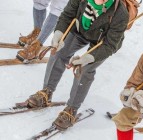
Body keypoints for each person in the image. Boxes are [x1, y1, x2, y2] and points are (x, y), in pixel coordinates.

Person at [24, 0, 129, 131]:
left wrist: (89, 57)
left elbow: (110, 45)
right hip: (79, 30)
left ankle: (71, 110)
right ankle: (46, 92)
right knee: (59, 53)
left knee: (84, 70)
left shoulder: (120, 13)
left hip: (101, 42)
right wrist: (59, 34)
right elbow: (67, 15)